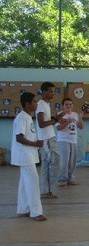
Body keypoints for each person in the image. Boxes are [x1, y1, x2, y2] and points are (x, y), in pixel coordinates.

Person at [12, 92, 47, 221]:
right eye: (34, 102)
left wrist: (36, 144)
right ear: (27, 104)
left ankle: (23, 209)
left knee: (24, 182)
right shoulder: (21, 118)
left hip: (29, 154)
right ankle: (36, 212)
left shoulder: (27, 117)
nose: (36, 104)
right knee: (33, 181)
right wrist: (35, 143)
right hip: (24, 155)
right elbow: (19, 138)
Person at [36, 82, 64, 199]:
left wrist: (57, 118)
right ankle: (45, 189)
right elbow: (41, 123)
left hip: (50, 137)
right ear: (44, 92)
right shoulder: (41, 104)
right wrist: (54, 121)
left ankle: (46, 190)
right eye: (50, 91)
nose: (52, 93)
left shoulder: (47, 104)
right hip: (46, 138)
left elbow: (49, 121)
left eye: (53, 91)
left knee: (48, 165)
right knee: (53, 163)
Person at [56, 98, 84, 187]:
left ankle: (70, 178)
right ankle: (62, 179)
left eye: (70, 104)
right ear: (63, 106)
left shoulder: (75, 114)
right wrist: (67, 122)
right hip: (63, 140)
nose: (69, 106)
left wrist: (80, 118)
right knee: (64, 160)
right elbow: (58, 128)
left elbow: (81, 127)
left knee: (73, 161)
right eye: (66, 104)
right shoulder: (60, 115)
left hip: (73, 140)